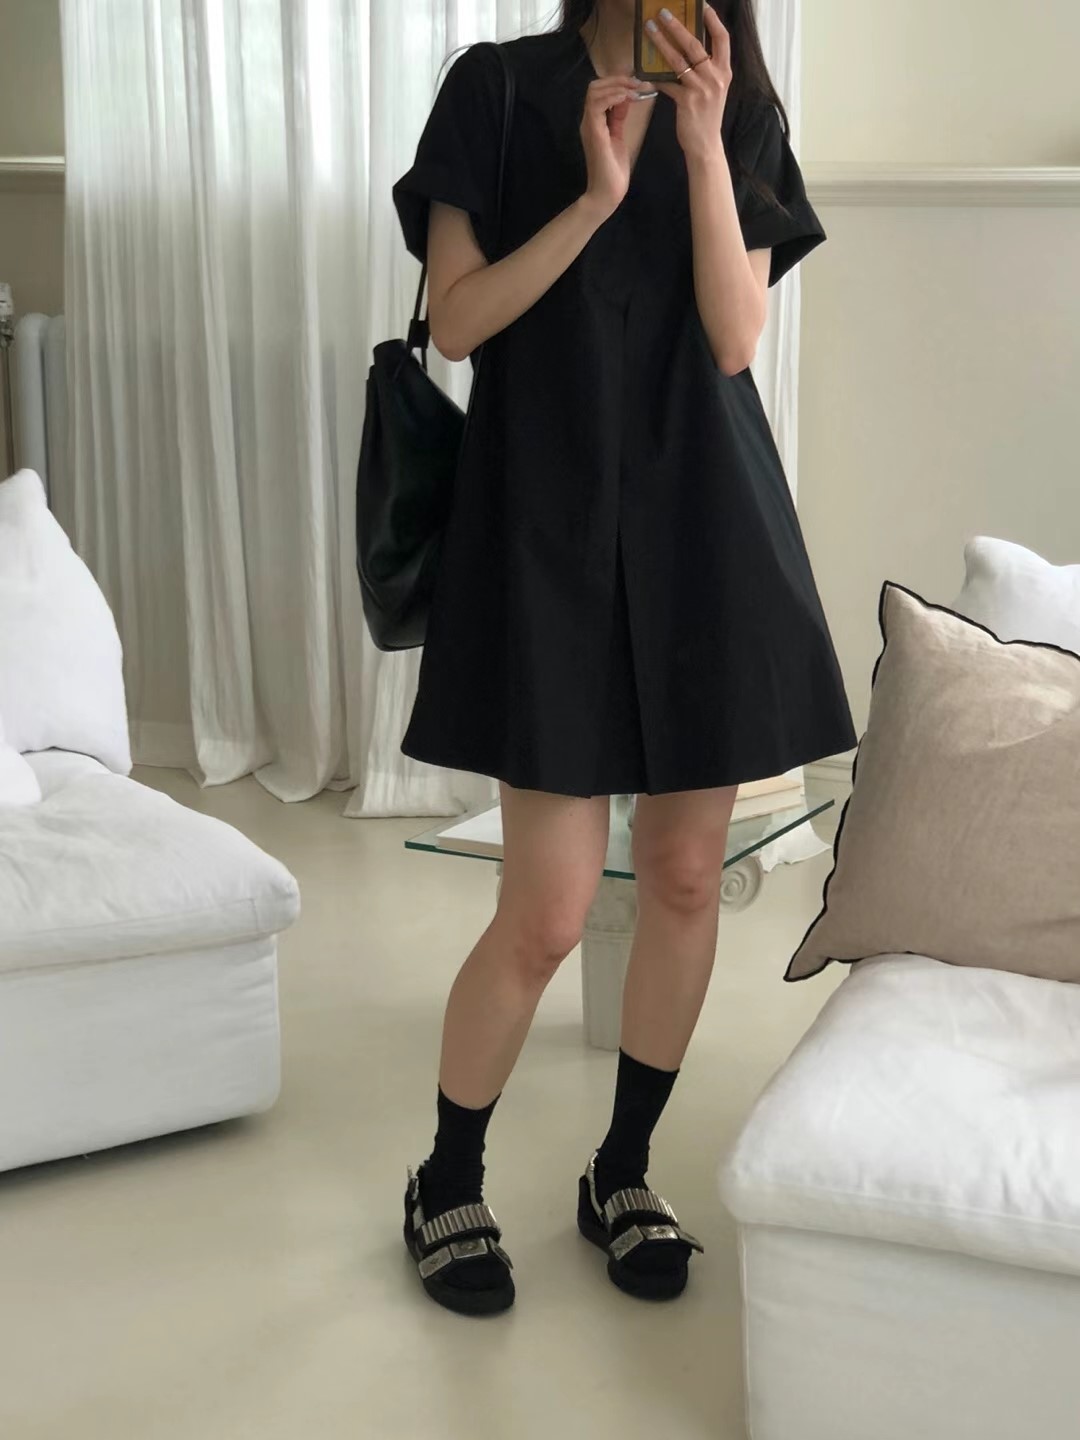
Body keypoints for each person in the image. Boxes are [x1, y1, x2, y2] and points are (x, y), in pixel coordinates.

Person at [392, 0, 856, 1316]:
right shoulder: (496, 92)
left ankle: (624, 1172)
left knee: (688, 878)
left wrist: (702, 149)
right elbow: (460, 323)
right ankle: (446, 1179)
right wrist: (594, 200)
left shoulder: (739, 108)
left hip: (704, 524)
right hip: (540, 527)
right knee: (546, 914)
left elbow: (733, 337)